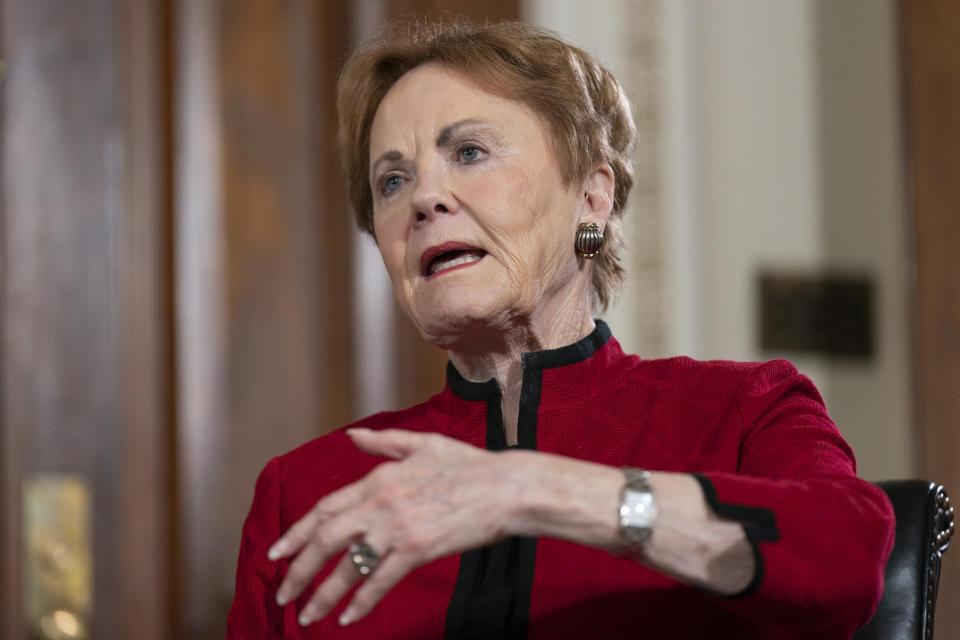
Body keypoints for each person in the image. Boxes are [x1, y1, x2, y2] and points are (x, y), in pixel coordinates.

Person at [227, 19, 894, 639]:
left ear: (593, 197)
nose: (424, 198)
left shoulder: (741, 412)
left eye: (469, 152)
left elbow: (847, 558)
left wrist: (527, 489)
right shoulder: (306, 492)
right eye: (393, 180)